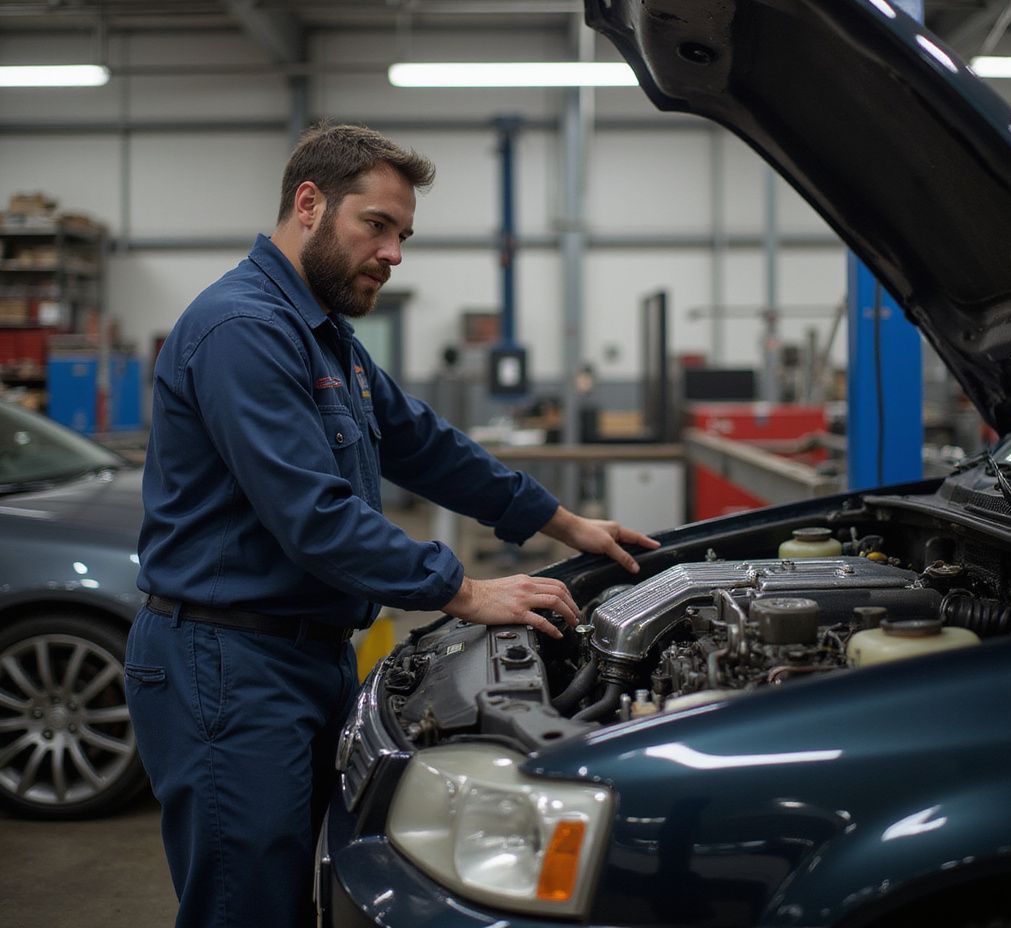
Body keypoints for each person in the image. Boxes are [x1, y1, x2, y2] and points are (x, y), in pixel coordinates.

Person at [125, 122, 659, 928]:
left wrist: (566, 523)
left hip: (302, 657)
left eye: (403, 234)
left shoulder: (327, 336)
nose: (395, 252)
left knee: (297, 894)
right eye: (376, 225)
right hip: (227, 665)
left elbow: (426, 446)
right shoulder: (244, 329)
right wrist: (464, 590)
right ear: (310, 205)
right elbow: (315, 517)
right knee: (247, 906)